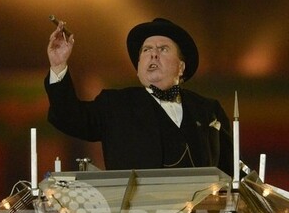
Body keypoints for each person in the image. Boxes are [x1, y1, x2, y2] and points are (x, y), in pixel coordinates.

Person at [45, 17, 233, 176]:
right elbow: (67, 116)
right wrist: (58, 65)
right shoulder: (115, 105)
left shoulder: (209, 110)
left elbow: (230, 171)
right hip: (139, 208)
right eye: (146, 50)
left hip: (202, 209)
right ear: (138, 68)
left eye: (163, 49)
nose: (153, 55)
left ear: (181, 67)